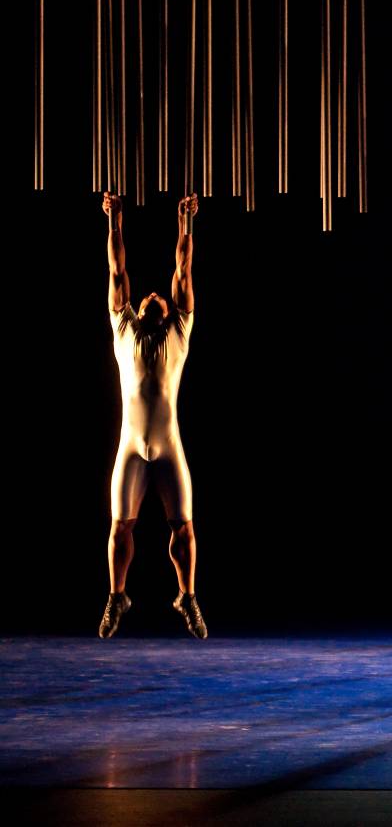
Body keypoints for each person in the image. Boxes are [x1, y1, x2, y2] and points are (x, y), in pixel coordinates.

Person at [100, 192, 206, 639]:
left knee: (184, 530)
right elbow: (117, 268)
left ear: (164, 312)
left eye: (158, 296)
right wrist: (115, 222)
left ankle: (187, 596)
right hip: (131, 447)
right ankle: (116, 596)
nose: (153, 294)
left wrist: (185, 225)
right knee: (120, 528)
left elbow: (183, 268)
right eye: (148, 297)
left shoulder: (180, 329)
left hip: (167, 447)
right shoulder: (122, 325)